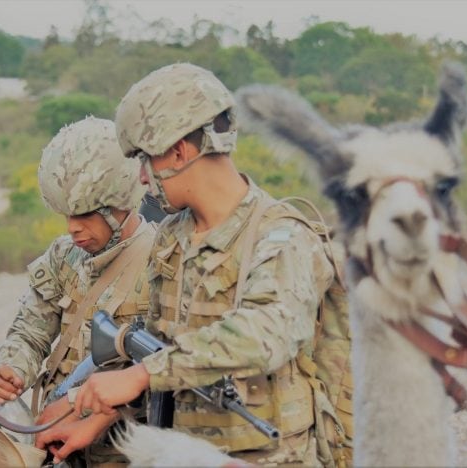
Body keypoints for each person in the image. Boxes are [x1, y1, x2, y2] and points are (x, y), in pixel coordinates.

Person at [56, 64, 339, 466]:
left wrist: (141, 375)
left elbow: (266, 333)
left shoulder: (282, 236)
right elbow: (158, 353)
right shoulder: (172, 236)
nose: (141, 179)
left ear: (178, 152)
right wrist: (97, 417)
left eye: (144, 161)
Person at [0, 117, 155, 466]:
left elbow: (169, 370)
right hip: (56, 446)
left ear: (121, 203)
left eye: (86, 215)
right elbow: (30, 331)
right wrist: (11, 370)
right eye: (67, 215)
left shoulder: (161, 263)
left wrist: (87, 406)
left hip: (126, 454)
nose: (73, 228)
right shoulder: (64, 256)